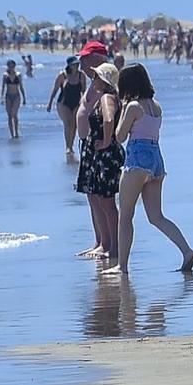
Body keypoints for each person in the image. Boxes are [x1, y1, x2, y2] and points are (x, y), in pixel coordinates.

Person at [103, 64, 193, 276]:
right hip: (156, 159)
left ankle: (122, 266)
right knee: (157, 216)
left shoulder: (133, 106)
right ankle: (187, 250)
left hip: (137, 158)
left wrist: (120, 115)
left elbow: (120, 136)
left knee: (125, 216)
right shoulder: (156, 106)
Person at [74, 63, 125, 265]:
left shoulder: (106, 97)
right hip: (100, 153)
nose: (92, 80)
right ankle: (106, 243)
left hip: (105, 154)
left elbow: (109, 118)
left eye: (96, 77)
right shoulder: (105, 97)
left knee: (107, 202)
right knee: (101, 200)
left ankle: (113, 247)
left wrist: (104, 141)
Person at [50, 58, 84, 155]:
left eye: (78, 64)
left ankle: (71, 145)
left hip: (76, 102)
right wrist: (50, 103)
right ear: (69, 65)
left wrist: (86, 103)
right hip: (63, 103)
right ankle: (67, 147)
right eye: (74, 64)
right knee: (68, 124)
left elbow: (83, 91)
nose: (77, 66)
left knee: (74, 125)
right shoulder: (62, 75)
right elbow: (55, 89)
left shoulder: (81, 75)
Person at [1, 59, 25, 139]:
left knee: (14, 114)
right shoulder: (5, 75)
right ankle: (11, 134)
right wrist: (1, 97)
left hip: (16, 96)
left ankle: (16, 132)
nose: (11, 67)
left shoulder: (18, 74)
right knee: (9, 115)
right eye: (9, 65)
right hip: (8, 96)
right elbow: (3, 87)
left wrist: (24, 97)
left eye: (12, 65)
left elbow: (21, 86)